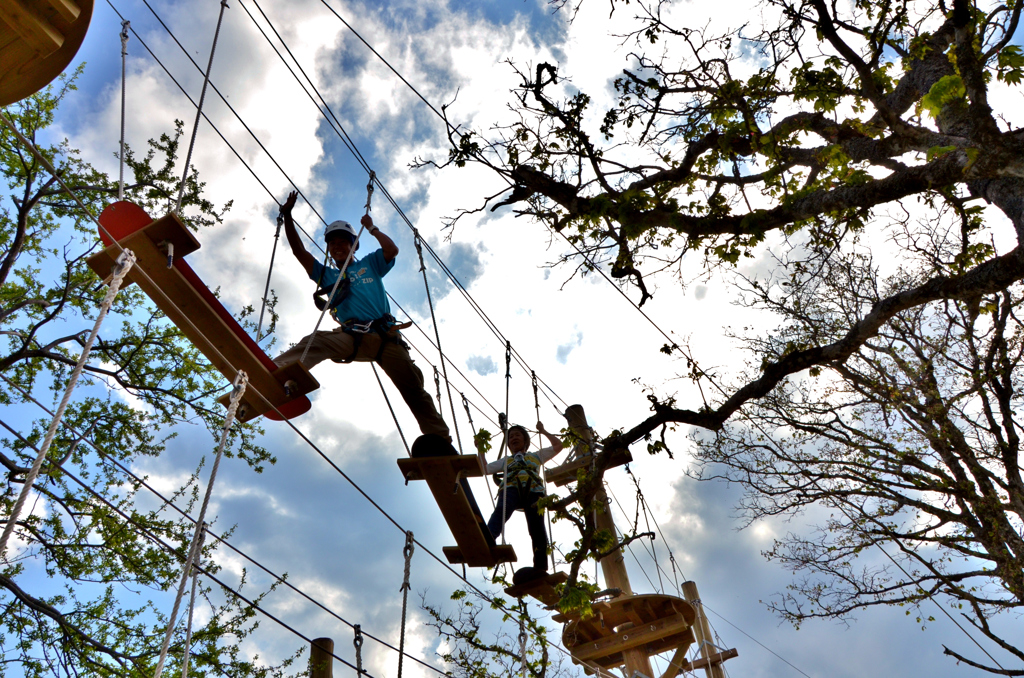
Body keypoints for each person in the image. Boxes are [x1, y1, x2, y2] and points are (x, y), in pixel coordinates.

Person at [273, 191, 449, 439]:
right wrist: (288, 216)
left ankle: (440, 439)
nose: (337, 246)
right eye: (332, 243)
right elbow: (299, 252)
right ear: (329, 250)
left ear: (354, 245)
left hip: (387, 337)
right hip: (353, 337)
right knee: (316, 340)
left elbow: (392, 250)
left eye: (343, 241)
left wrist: (372, 228)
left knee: (413, 390)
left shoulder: (369, 264)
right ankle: (279, 371)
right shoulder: (328, 276)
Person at [485, 422, 564, 573]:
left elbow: (558, 446)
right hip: (511, 488)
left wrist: (543, 431)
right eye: (511, 437)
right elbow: (485, 468)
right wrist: (480, 451)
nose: (514, 438)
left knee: (537, 529)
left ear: (525, 441)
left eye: (517, 435)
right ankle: (488, 538)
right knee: (502, 510)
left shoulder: (536, 456)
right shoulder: (505, 461)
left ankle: (540, 568)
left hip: (534, 491)